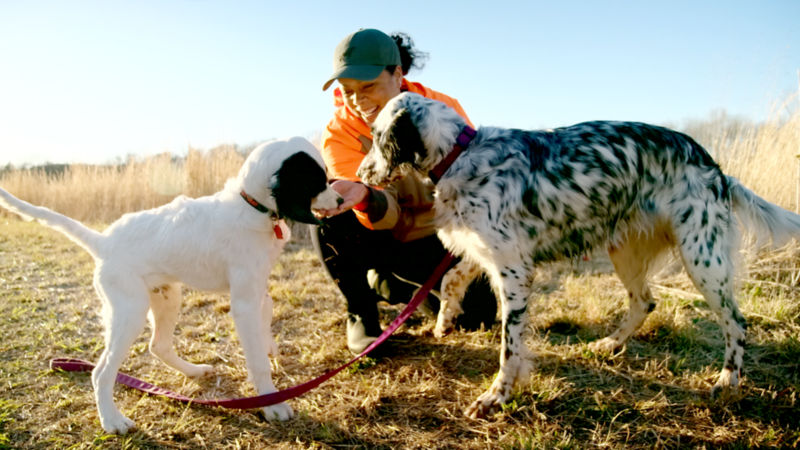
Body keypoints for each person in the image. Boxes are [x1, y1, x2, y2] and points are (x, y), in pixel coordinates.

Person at [313, 28, 497, 354]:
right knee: (332, 207)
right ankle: (362, 313)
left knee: (478, 317)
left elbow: (475, 183)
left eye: (368, 86)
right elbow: (384, 211)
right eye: (348, 90)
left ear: (398, 74)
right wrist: (365, 196)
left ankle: (400, 286)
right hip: (385, 236)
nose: (358, 101)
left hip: (441, 236)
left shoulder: (443, 107)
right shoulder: (339, 134)